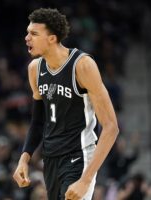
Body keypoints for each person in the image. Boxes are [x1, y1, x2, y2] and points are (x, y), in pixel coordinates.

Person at [13, 8, 119, 200]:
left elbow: (111, 127)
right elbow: (38, 122)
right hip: (51, 158)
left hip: (79, 155)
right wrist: (24, 159)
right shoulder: (35, 70)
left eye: (34, 34)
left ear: (52, 38)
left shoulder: (82, 65)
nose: (27, 38)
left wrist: (86, 180)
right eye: (28, 32)